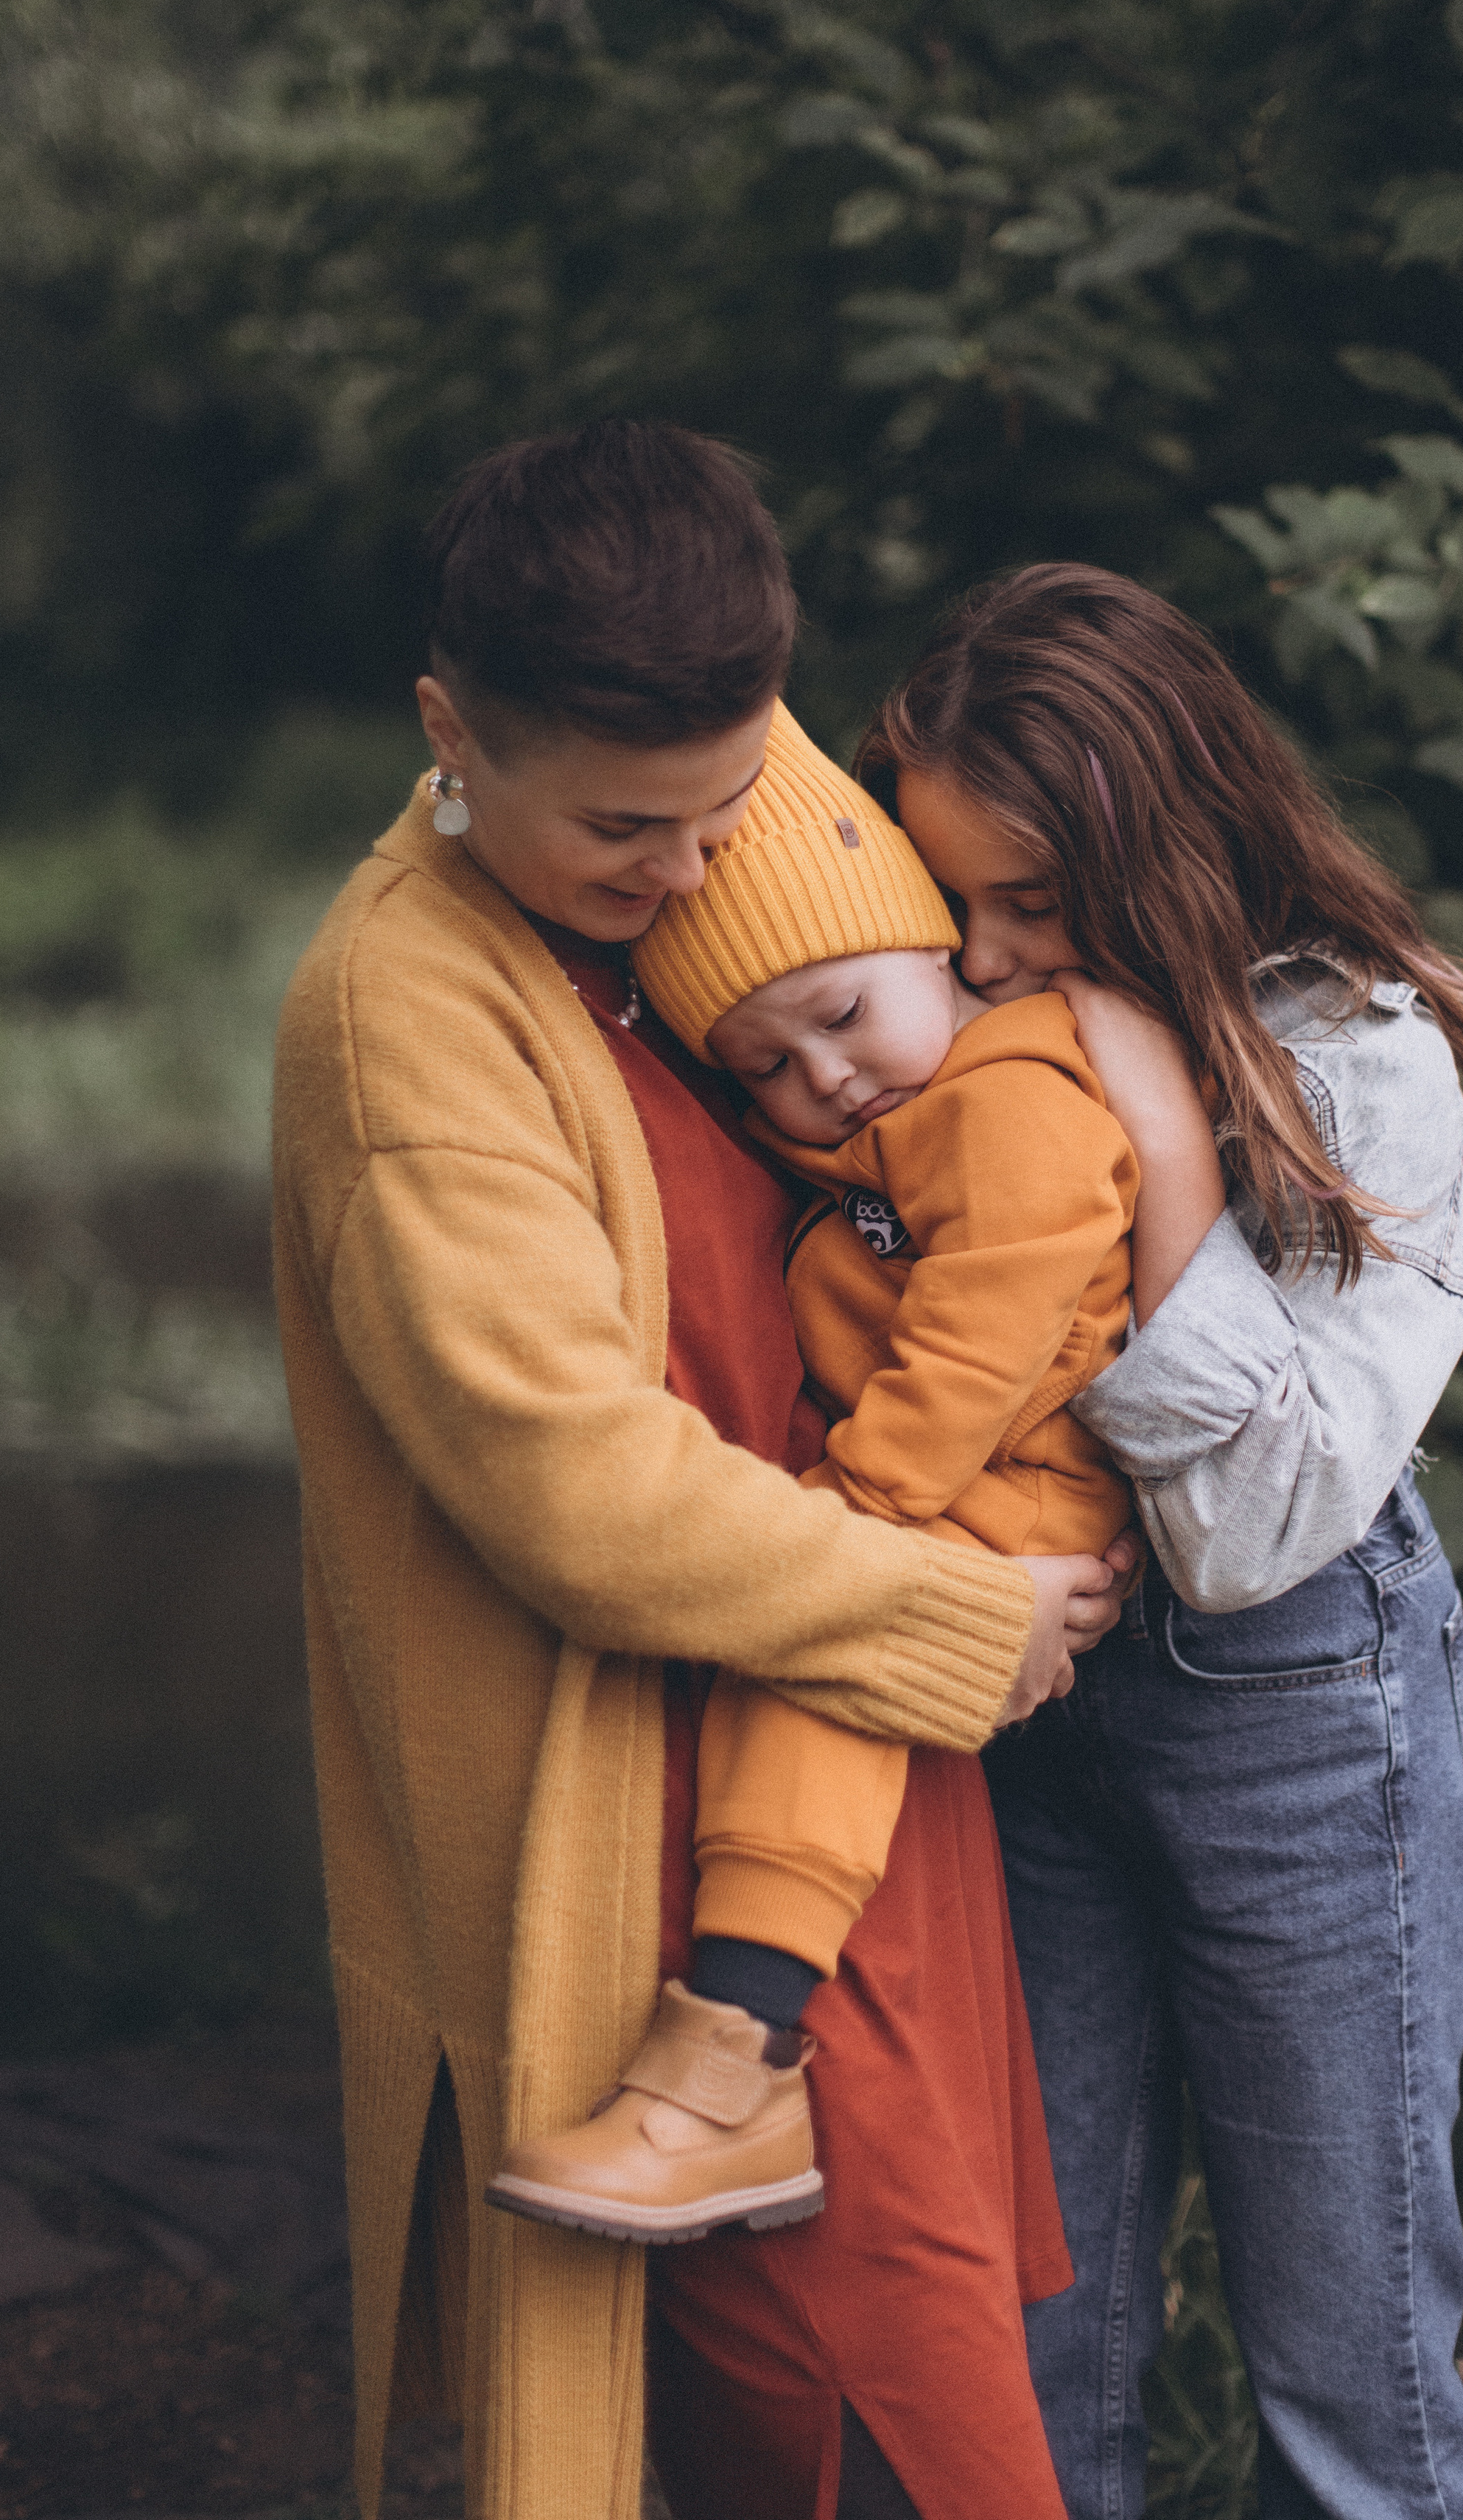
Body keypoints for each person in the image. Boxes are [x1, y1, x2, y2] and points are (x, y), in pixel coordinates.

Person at [270, 428, 1126, 2520]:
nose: (697, 875)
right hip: (650, 1793)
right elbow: (572, 1486)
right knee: (832, 2391)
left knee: (887, 2375)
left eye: (735, 805)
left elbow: (1022, 1009)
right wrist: (952, 1610)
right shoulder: (408, 1015)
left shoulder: (728, 803)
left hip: (825, 1725)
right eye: (629, 833)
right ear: (449, 736)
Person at [862, 560, 1463, 2520]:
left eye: (1033, 908)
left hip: (1302, 1720)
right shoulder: (972, 1044)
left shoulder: (1362, 1065)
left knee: (1347, 2358)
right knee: (1032, 2328)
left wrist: (1156, 1155)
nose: (983, 960)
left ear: (1172, 850)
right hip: (1033, 1705)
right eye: (951, 901)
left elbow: (1253, 1531)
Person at [487, 708, 1137, 2245]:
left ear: (940, 957)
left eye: (844, 1014)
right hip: (938, 1483)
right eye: (765, 1066)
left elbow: (991, 1319)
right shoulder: (872, 1151)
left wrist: (865, 1521)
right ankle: (732, 2059)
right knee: (800, 1684)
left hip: (1003, 1480)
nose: (825, 1078)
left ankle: (730, 2062)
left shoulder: (1012, 1094)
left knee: (819, 1683)